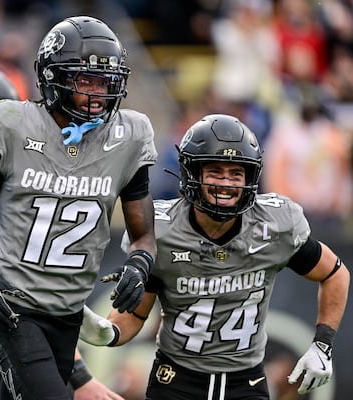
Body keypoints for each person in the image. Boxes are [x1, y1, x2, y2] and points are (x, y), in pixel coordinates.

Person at [0, 15, 158, 400]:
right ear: (53, 77)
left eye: (106, 82)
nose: (98, 93)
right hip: (10, 308)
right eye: (86, 81)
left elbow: (142, 233)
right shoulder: (12, 123)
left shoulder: (128, 136)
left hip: (68, 315)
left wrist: (139, 263)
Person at [79, 113, 350, 399]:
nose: (226, 183)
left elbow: (335, 274)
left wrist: (322, 344)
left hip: (246, 383)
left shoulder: (275, 225)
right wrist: (109, 332)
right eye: (216, 172)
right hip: (177, 380)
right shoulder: (162, 230)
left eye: (236, 173)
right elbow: (135, 314)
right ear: (192, 173)